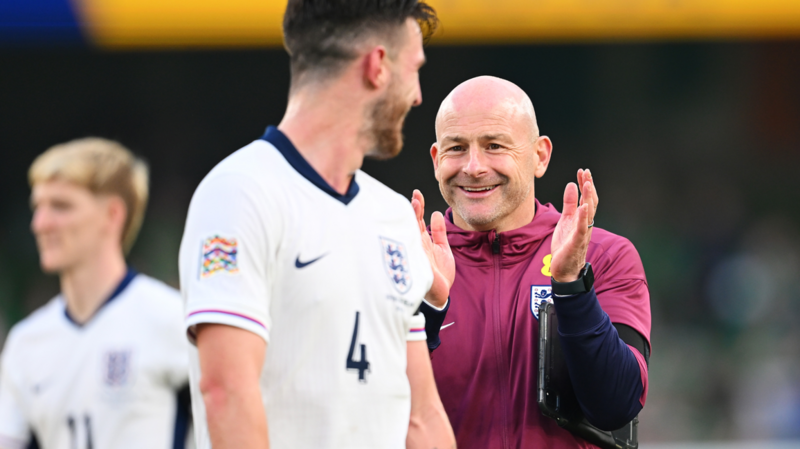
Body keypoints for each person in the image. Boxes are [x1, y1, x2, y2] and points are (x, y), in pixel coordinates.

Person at [178, 1, 455, 448]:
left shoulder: (394, 215)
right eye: (415, 68)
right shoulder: (239, 193)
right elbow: (226, 392)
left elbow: (421, 415)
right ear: (378, 66)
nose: (419, 94)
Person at [415, 76, 651, 448]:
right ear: (436, 159)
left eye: (494, 145)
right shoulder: (405, 264)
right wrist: (425, 311)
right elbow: (366, 412)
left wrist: (572, 287)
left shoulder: (604, 256)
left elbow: (616, 405)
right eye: (456, 148)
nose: (473, 166)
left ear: (540, 155)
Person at [0, 138, 192, 449]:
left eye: (61, 206)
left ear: (113, 215)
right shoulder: (26, 343)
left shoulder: (172, 320)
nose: (40, 224)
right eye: (37, 207)